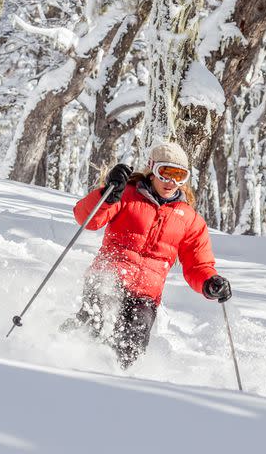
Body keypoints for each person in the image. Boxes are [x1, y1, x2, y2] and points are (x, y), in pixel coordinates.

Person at [66, 141, 232, 369]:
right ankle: (64, 357)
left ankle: (113, 383)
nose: (171, 182)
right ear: (152, 168)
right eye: (165, 173)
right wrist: (107, 193)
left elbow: (197, 263)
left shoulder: (190, 219)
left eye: (179, 176)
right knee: (93, 325)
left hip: (145, 295)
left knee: (130, 347)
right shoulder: (125, 195)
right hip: (108, 278)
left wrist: (209, 281)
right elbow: (88, 219)